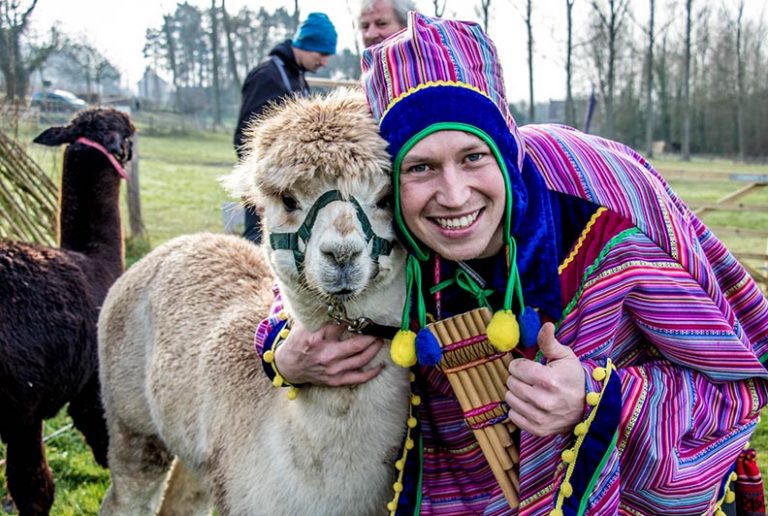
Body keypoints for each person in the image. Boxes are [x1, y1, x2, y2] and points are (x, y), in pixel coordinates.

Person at [255, 12, 768, 516]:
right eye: (421, 166)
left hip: (620, 497)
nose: (454, 196)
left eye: (473, 157)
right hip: (467, 489)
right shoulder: (400, 221)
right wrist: (282, 353)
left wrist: (597, 396)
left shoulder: (605, 196)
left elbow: (739, 382)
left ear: (505, 147)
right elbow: (308, 272)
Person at [233, 12, 337, 244]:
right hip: (269, 189)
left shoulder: (296, 76)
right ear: (305, 44)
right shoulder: (267, 76)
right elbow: (245, 138)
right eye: (321, 54)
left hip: (291, 190)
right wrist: (258, 189)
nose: (324, 62)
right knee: (258, 242)